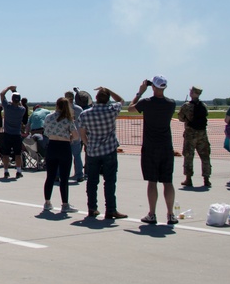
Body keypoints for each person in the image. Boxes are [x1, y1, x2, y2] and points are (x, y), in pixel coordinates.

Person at [130, 76, 178, 226]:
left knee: (152, 182)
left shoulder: (146, 102)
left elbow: (131, 108)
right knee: (168, 181)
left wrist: (139, 92)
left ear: (153, 87)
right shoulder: (171, 104)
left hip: (151, 147)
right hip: (166, 146)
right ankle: (170, 214)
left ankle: (152, 214)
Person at [79, 87, 127, 219]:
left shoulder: (85, 114)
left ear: (96, 98)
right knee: (110, 181)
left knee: (92, 182)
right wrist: (109, 90)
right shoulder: (112, 110)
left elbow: (82, 133)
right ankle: (111, 210)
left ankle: (92, 208)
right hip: (109, 150)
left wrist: (88, 145)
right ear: (108, 99)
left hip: (93, 152)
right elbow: (121, 100)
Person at [42, 98, 80, 213]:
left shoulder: (49, 117)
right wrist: (70, 137)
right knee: (64, 178)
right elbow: (76, 135)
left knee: (50, 176)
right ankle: (65, 204)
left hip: (52, 146)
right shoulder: (68, 119)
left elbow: (46, 132)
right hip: (64, 147)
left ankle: (47, 202)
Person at [178, 85, 211, 188]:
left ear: (192, 93)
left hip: (190, 134)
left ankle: (188, 179)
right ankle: (206, 179)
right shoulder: (204, 105)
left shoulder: (186, 106)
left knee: (188, 156)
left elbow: (181, 118)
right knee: (205, 156)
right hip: (202, 134)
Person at [0, 86, 26, 179]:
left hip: (7, 134)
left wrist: (9, 88)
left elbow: (2, 94)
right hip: (17, 134)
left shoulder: (7, 107)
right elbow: (20, 103)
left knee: (6, 154)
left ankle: (6, 171)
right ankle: (18, 171)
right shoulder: (22, 110)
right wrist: (14, 91)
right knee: (18, 154)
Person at [64, 90, 86, 182]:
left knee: (64, 157)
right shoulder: (79, 109)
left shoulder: (63, 109)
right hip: (77, 135)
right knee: (77, 156)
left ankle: (61, 174)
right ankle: (79, 174)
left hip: (65, 136)